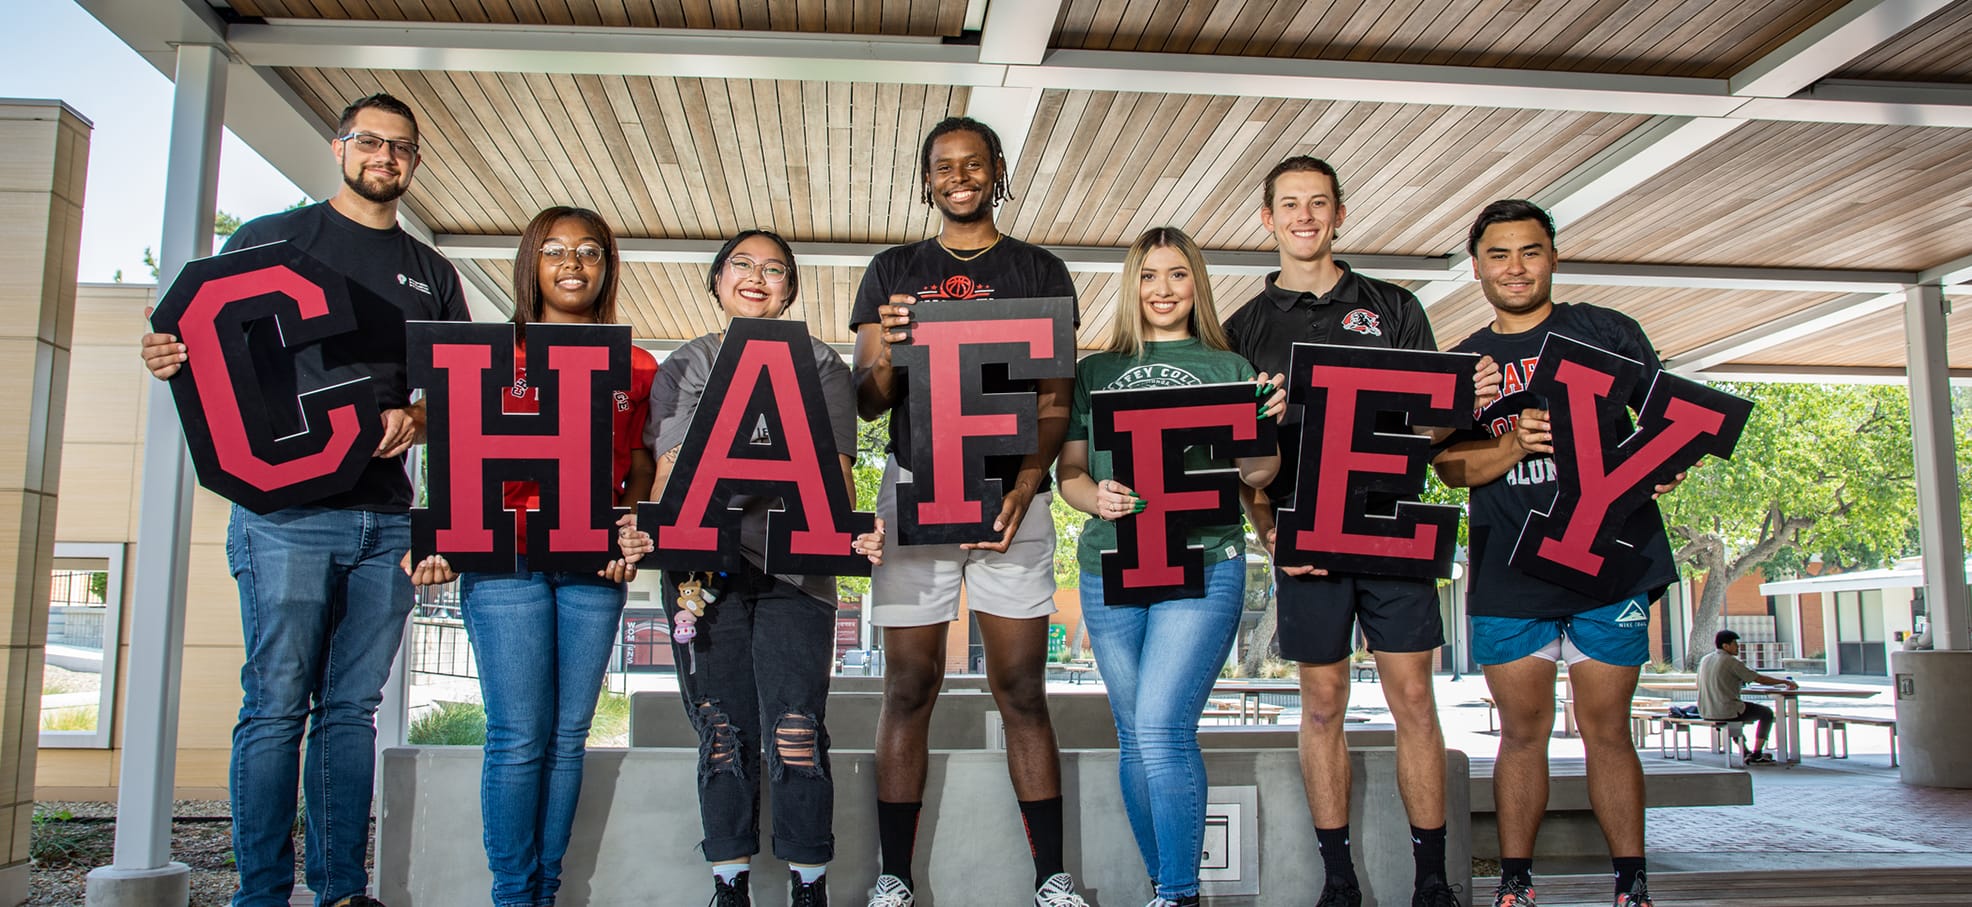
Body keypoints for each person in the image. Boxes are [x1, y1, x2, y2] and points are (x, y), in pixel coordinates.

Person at [139, 93, 468, 907]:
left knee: (351, 709)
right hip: (284, 516)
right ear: (338, 146)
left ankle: (339, 889)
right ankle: (259, 894)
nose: (383, 156)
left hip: (386, 515)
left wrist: (421, 416)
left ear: (415, 162)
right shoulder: (270, 239)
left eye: (400, 146)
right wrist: (167, 350)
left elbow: (459, 394)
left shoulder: (431, 271)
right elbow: (209, 347)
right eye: (369, 141)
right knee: (277, 704)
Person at [1222, 156, 1492, 907]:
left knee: (1414, 698)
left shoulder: (1394, 306)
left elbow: (1437, 428)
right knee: (1320, 703)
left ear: (1339, 214)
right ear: (1267, 219)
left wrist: (1463, 399)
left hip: (1392, 528)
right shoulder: (1244, 328)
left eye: (1319, 203)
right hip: (1305, 534)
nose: (1305, 216)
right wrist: (1267, 525)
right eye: (1289, 204)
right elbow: (1244, 458)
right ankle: (1338, 880)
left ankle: (1431, 878)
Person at [849, 116, 1087, 907]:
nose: (959, 176)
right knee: (909, 684)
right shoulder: (892, 270)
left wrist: (1027, 482)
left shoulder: (1039, 269)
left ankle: (1051, 879)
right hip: (919, 485)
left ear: (996, 172)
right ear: (926, 181)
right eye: (944, 166)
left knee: (1020, 687)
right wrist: (884, 346)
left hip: (1011, 497)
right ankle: (894, 877)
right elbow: (870, 400)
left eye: (973, 163)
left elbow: (1056, 399)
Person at [1431, 199, 1686, 907]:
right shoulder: (1463, 363)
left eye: (1531, 251)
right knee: (1522, 733)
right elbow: (1447, 468)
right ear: (1477, 266)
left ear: (1553, 255)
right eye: (1500, 254)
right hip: (1510, 569)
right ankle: (1515, 884)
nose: (1516, 267)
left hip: (1610, 562)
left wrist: (1668, 460)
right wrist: (1511, 444)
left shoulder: (1604, 331)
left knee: (1608, 729)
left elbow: (1667, 421)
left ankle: (1631, 886)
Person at [403, 207, 658, 907]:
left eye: (588, 251)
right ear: (531, 264)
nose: (572, 263)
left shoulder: (635, 365)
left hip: (591, 562)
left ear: (606, 266)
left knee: (570, 736)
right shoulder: (490, 354)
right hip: (504, 560)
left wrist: (628, 519)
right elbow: (452, 449)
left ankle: (546, 890)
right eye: (554, 251)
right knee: (519, 735)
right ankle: (513, 896)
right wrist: (440, 538)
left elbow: (637, 459)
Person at [650, 229, 888, 907]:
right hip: (703, 570)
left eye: (775, 269)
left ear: (790, 287)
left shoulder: (820, 363)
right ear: (718, 279)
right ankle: (730, 886)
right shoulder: (688, 363)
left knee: (796, 727)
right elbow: (671, 476)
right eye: (743, 265)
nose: (757, 277)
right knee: (722, 728)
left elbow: (837, 473)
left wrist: (850, 538)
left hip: (797, 569)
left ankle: (808, 884)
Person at [1057, 227, 1283, 907]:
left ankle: (1180, 894)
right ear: (1133, 284)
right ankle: (1166, 888)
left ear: (1197, 284)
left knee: (1160, 724)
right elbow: (1068, 470)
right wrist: (1091, 495)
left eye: (1178, 274)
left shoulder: (1229, 366)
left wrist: (1263, 425)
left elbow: (1260, 475)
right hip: (1109, 564)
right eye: (1150, 275)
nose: (1163, 289)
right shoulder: (1096, 370)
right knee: (1134, 734)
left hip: (1204, 557)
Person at [1697, 629, 1796, 764]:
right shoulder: (1730, 661)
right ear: (1725, 646)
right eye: (1734, 643)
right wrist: (1784, 681)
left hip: (1706, 710)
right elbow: (1758, 678)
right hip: (1726, 710)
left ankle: (1745, 751)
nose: (1738, 646)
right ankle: (1757, 753)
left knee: (1736, 716)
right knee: (1766, 713)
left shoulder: (1705, 659)